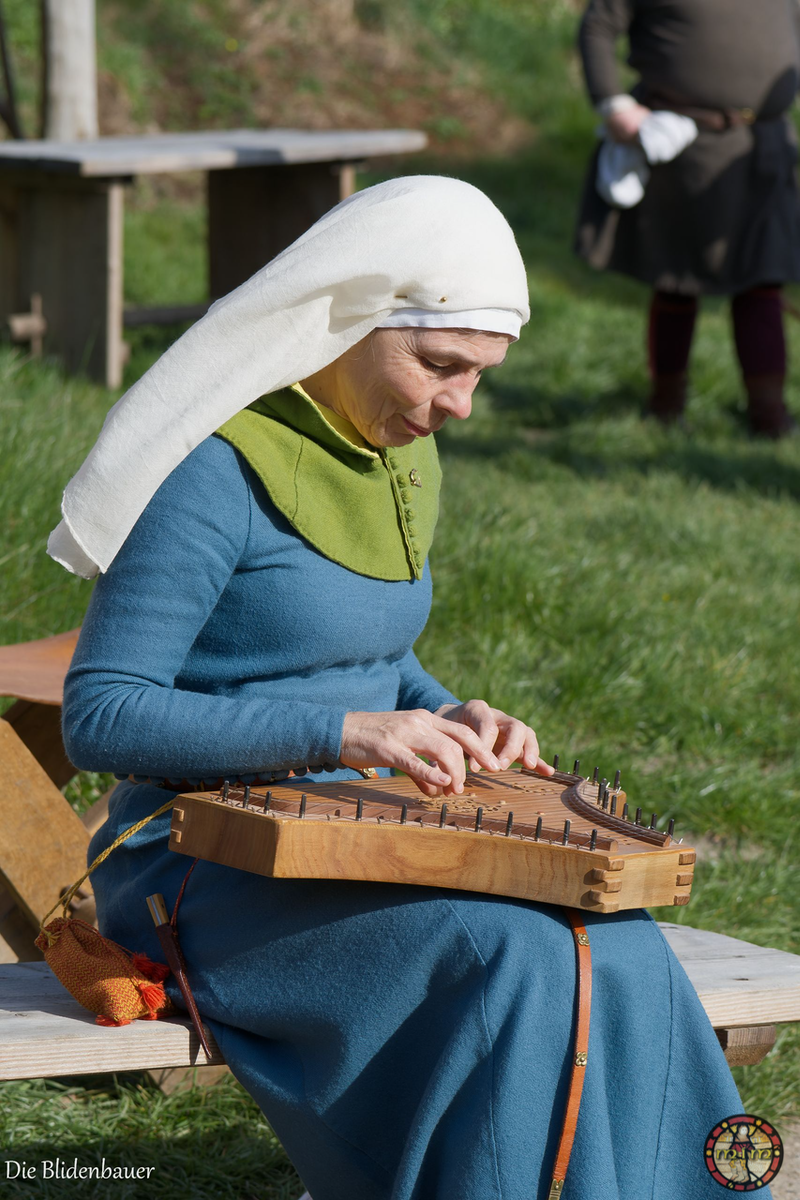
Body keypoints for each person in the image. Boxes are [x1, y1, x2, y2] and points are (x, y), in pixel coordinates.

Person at [55, 176, 759, 1200]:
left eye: (479, 374)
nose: (458, 404)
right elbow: (102, 714)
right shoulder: (213, 471)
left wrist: (442, 712)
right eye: (438, 364)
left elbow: (374, 660)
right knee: (511, 960)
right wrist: (346, 734)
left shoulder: (399, 452)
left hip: (360, 825)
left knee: (614, 944)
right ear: (354, 318)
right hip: (199, 860)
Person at [575, 0, 800, 436]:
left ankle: (770, 417)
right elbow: (599, 24)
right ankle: (665, 408)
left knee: (763, 280)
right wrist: (614, 106)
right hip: (682, 146)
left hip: (767, 146)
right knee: (676, 281)